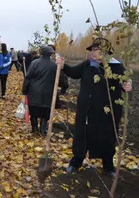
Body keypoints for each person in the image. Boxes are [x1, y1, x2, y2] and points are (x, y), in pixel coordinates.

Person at [56, 39, 132, 176]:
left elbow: (124, 81)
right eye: (91, 50)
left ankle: (108, 166)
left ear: (104, 51)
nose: (91, 53)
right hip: (86, 110)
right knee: (81, 136)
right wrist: (63, 66)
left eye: (94, 50)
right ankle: (76, 162)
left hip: (106, 113)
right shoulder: (87, 65)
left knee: (107, 137)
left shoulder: (115, 67)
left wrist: (126, 85)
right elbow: (74, 72)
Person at [22, 46, 57, 135]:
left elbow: (28, 77)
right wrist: (64, 87)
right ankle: (42, 130)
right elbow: (60, 79)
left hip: (34, 92)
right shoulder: (54, 65)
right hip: (48, 93)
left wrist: (25, 90)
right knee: (45, 112)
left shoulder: (34, 63)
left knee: (33, 112)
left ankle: (34, 129)